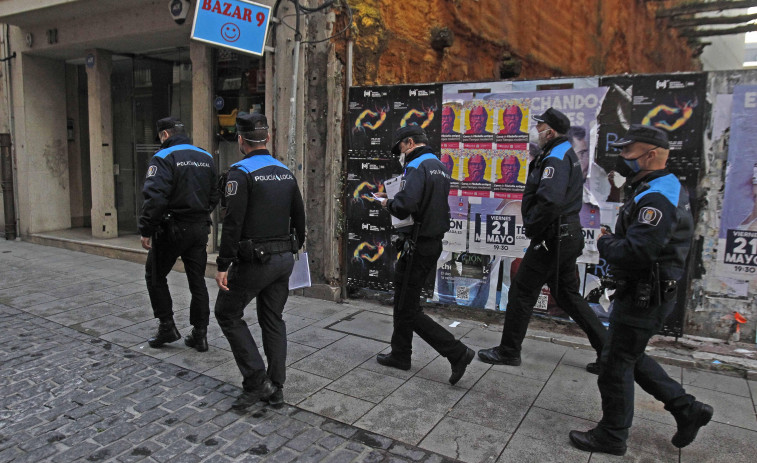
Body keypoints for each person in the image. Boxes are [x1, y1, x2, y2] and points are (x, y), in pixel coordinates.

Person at [569, 124, 712, 456]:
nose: (622, 156)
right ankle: (686, 408)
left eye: (628, 151)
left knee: (615, 363)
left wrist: (605, 241)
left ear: (651, 155)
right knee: (628, 354)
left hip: (645, 293)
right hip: (648, 291)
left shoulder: (657, 197)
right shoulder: (660, 186)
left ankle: (612, 435)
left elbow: (636, 252)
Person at [477, 108, 606, 372]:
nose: (537, 130)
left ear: (552, 131)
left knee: (522, 291)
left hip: (552, 237)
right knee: (569, 296)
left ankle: (509, 351)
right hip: (563, 235)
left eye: (541, 126)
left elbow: (549, 201)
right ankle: (609, 352)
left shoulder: (557, 156)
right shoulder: (559, 153)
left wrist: (534, 228)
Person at [213, 113, 306, 410]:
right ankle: (276, 388)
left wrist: (223, 264)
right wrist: (294, 249)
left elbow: (233, 223)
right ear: (267, 138)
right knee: (273, 318)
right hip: (283, 260)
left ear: (241, 140)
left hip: (255, 262)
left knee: (227, 313)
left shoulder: (240, 173)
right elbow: (300, 219)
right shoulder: (285, 172)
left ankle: (256, 380)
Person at [373, 125, 475, 385]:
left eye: (400, 148)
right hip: (430, 243)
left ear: (409, 142)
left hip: (417, 245)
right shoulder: (438, 165)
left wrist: (387, 203)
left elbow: (407, 205)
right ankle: (400, 354)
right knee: (403, 300)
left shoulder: (417, 165)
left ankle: (456, 352)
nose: (400, 154)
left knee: (408, 308)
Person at [139, 117, 220, 352]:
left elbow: (155, 198)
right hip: (199, 228)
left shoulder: (163, 157)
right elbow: (215, 194)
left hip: (171, 228)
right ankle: (200, 333)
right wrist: (200, 213)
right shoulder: (205, 156)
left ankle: (167, 326)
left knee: (154, 274)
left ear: (165, 135)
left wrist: (147, 229)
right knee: (197, 282)